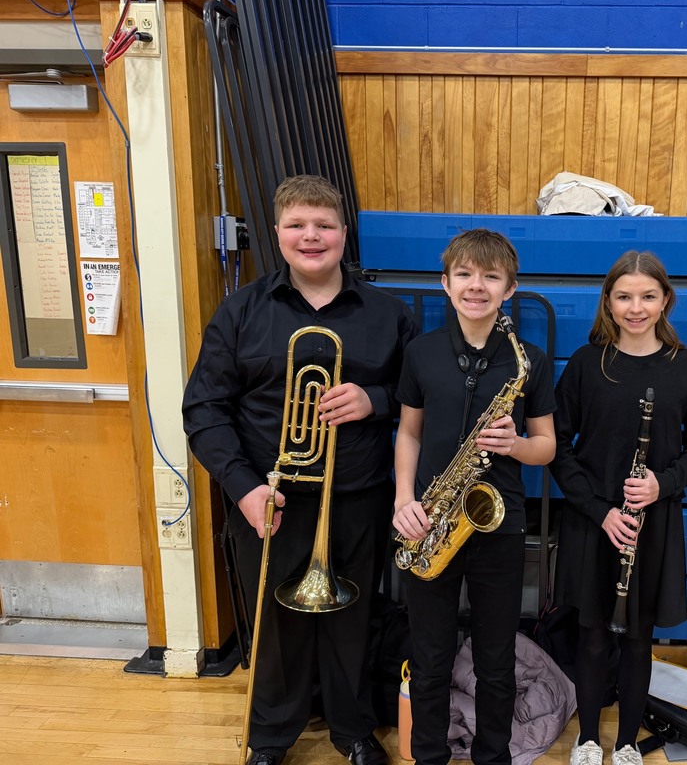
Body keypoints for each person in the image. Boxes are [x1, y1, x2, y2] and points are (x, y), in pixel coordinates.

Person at [182, 175, 417, 765]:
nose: (311, 236)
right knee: (273, 624)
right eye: (296, 225)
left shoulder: (389, 314)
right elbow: (203, 409)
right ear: (277, 232)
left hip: (357, 494)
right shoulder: (241, 311)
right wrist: (243, 488)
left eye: (324, 225)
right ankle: (270, 737)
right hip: (269, 498)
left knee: (354, 617)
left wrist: (374, 400)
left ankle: (352, 729)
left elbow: (420, 396)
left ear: (343, 233)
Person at [392, 229, 557, 765]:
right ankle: (428, 756)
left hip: (498, 527)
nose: (476, 286)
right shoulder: (421, 353)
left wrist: (516, 444)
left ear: (510, 288)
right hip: (429, 522)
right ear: (446, 283)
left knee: (496, 661)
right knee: (430, 658)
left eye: (491, 276)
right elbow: (409, 433)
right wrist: (403, 500)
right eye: (464, 274)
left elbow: (547, 447)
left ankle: (493, 757)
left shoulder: (529, 361)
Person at [550, 251, 687, 765]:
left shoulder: (686, 367)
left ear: (666, 300)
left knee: (640, 639)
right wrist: (599, 509)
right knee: (592, 637)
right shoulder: (587, 364)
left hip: (653, 522)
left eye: (648, 296)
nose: (636, 307)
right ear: (608, 302)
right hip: (594, 520)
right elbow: (558, 445)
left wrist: (663, 484)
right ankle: (587, 739)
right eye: (624, 296)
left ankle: (625, 743)